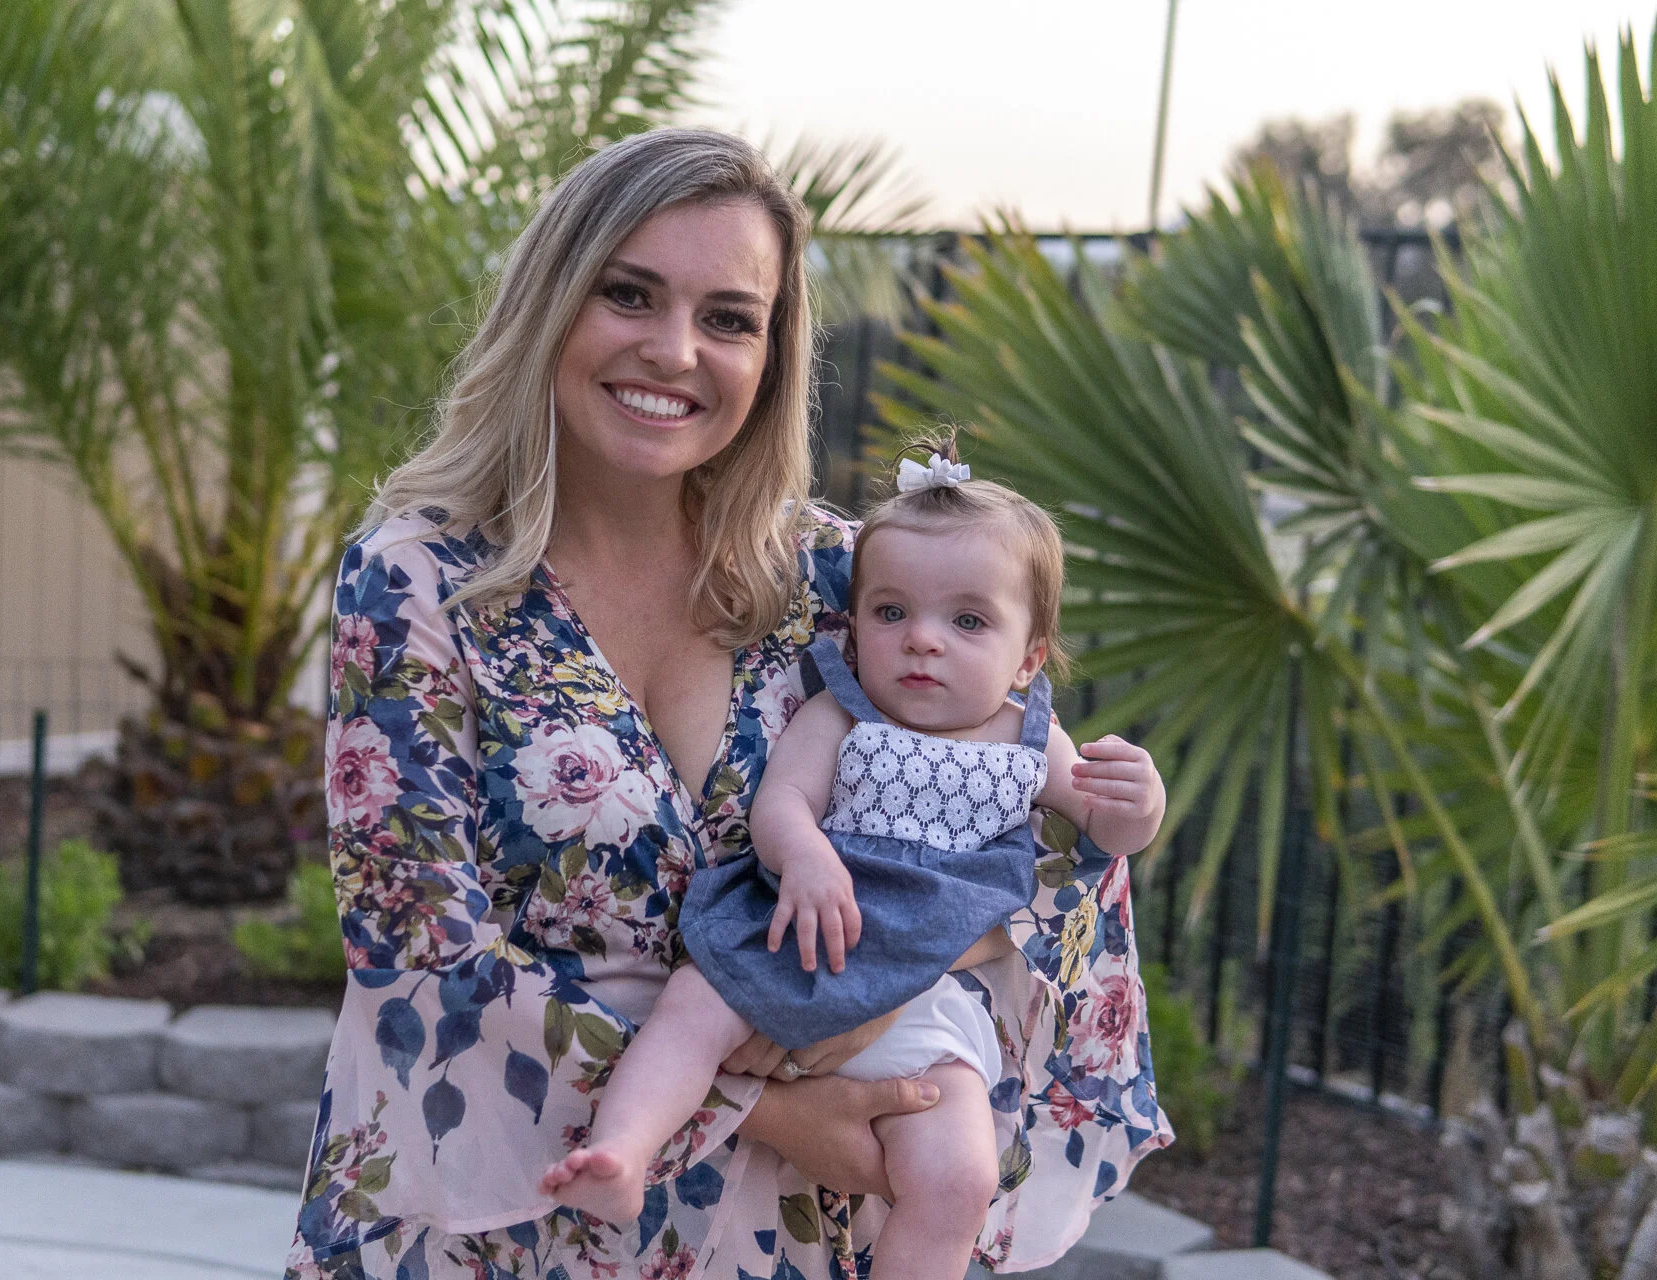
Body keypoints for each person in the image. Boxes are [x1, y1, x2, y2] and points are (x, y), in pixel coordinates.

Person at [285, 128, 1172, 1280]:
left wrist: (914, 1024)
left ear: (772, 353)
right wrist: (767, 1106)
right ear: (552, 300)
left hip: (786, 1237)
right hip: (501, 1231)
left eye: (729, 317)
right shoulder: (419, 578)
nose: (674, 350)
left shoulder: (847, 583)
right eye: (629, 293)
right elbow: (415, 948)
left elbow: (1036, 840)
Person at [536, 449, 1167, 1280]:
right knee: (692, 1010)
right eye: (891, 611)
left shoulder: (1031, 740)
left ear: (1028, 658)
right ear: (856, 624)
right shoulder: (844, 714)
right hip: (803, 935)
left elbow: (1103, 840)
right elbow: (782, 803)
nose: (922, 640)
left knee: (959, 1178)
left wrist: (1139, 804)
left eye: (968, 622)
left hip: (925, 999)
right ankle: (623, 1148)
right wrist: (803, 856)